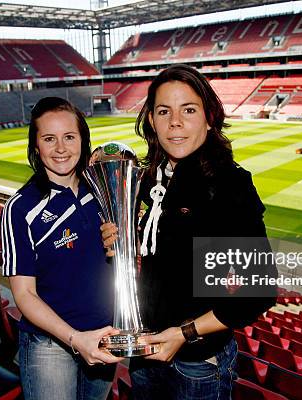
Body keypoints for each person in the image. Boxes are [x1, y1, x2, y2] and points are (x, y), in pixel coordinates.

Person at [102, 64, 277, 400]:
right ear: (151, 120)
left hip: (197, 363)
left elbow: (257, 292)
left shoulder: (228, 186)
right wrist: (122, 249)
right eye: (164, 111)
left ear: (209, 117)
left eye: (189, 110)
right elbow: (167, 266)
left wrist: (183, 334)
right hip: (146, 354)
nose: (175, 122)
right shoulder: (151, 179)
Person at [1, 97, 121, 400]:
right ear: (36, 146)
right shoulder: (20, 208)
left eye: (69, 137)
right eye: (49, 139)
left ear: (83, 139)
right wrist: (74, 339)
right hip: (49, 344)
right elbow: (23, 295)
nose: (61, 148)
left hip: (104, 335)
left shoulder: (103, 189)